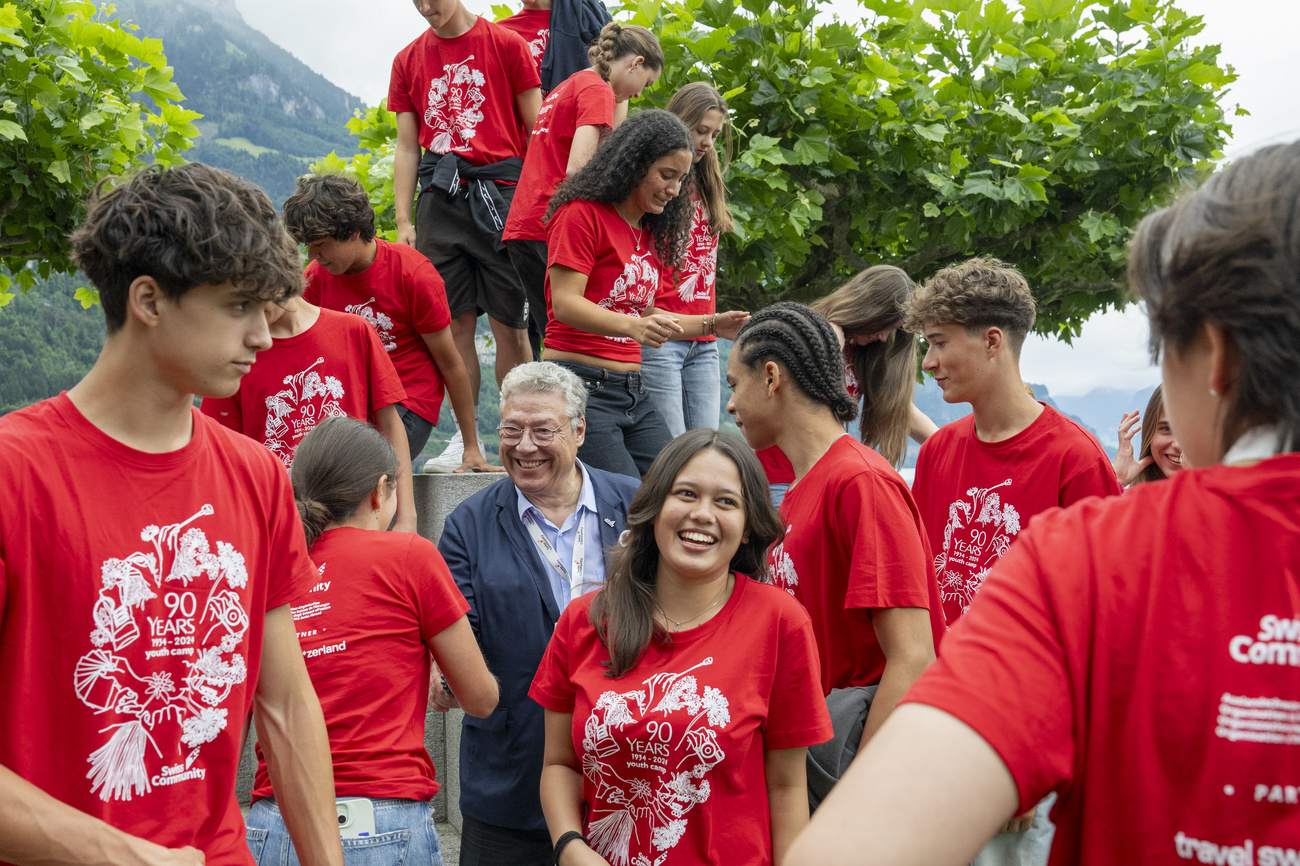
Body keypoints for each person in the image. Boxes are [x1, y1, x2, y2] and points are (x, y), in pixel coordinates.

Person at [786, 136, 1300, 866]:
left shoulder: (1090, 547)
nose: (928, 362)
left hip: (998, 737)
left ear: (1216, 355)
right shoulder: (944, 454)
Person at [0, 164, 342, 866]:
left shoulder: (257, 475)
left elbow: (284, 705)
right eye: (238, 306)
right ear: (149, 300)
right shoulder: (15, 474)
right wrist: (122, 854)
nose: (265, 336)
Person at [530, 429, 833, 866]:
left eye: (726, 502)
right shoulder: (586, 619)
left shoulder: (780, 623)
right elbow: (559, 764)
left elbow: (786, 786)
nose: (702, 514)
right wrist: (570, 847)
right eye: (686, 494)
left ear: (748, 528)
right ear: (655, 509)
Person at [903, 258, 1119, 859]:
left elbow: (1095, 629)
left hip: (1027, 746)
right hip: (944, 723)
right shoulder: (941, 451)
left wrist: (1033, 753)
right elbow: (925, 591)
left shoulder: (1075, 460)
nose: (929, 362)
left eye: (940, 343)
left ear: (992, 341)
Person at [245, 417, 499, 866]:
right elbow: (480, 697)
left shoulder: (266, 568)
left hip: (274, 820)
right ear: (380, 491)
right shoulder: (408, 556)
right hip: (381, 817)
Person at [435, 361, 639, 866]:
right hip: (511, 776)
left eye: (543, 430)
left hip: (627, 773)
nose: (524, 446)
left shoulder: (636, 505)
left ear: (579, 430)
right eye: (511, 429)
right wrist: (447, 677)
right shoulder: (469, 524)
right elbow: (458, 635)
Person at [726, 302, 945, 743]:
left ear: (771, 378)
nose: (730, 404)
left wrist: (863, 787)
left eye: (733, 385)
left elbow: (914, 656)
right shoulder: (804, 486)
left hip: (857, 760)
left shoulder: (860, 482)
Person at [543, 109, 748, 477]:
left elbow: (649, 315)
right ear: (634, 165)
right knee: (627, 498)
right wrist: (633, 327)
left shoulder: (648, 231)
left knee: (675, 484)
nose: (674, 189)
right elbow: (565, 304)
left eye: (681, 179)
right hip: (578, 384)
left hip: (632, 390)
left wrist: (712, 324)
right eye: (666, 175)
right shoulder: (581, 215)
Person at [390, 0, 542, 469]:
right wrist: (403, 222)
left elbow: (538, 131)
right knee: (454, 327)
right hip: (440, 196)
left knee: (511, 331)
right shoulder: (408, 59)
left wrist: (538, 206)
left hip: (502, 194)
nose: (425, 6)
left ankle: (524, 435)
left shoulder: (506, 44)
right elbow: (406, 144)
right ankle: (466, 440)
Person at [283, 175, 496, 473]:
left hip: (408, 401)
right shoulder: (316, 278)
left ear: (353, 231)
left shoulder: (412, 273)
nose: (312, 255)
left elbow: (450, 364)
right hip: (349, 402)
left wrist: (471, 447)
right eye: (308, 246)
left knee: (355, 473)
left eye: (320, 244)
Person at [505, 22, 663, 357]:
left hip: (523, 224)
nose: (638, 94)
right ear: (635, 63)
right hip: (553, 224)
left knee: (553, 335)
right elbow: (579, 166)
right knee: (577, 338)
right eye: (645, 83)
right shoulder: (597, 90)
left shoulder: (572, 83)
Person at [199, 293, 419, 531]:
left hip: (354, 518)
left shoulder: (353, 331)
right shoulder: (234, 354)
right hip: (278, 522)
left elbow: (390, 424)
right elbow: (219, 452)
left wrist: (407, 518)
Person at [753, 265, 939, 504]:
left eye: (891, 330)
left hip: (824, 477)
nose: (883, 337)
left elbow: (902, 411)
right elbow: (809, 396)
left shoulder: (864, 350)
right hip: (781, 480)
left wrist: (949, 445)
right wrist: (833, 341)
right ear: (868, 308)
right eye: (884, 326)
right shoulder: (806, 329)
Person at [640, 82, 735, 437]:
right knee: (673, 450)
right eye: (700, 130)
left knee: (706, 445)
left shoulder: (710, 185)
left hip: (705, 339)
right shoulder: (658, 183)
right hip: (662, 333)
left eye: (714, 134)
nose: (708, 141)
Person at [1114, 384, 1183, 486]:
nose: (1177, 445)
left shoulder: (1213, 499)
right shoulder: (1130, 498)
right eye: (1166, 429)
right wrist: (1117, 481)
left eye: (1191, 432)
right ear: (1149, 432)